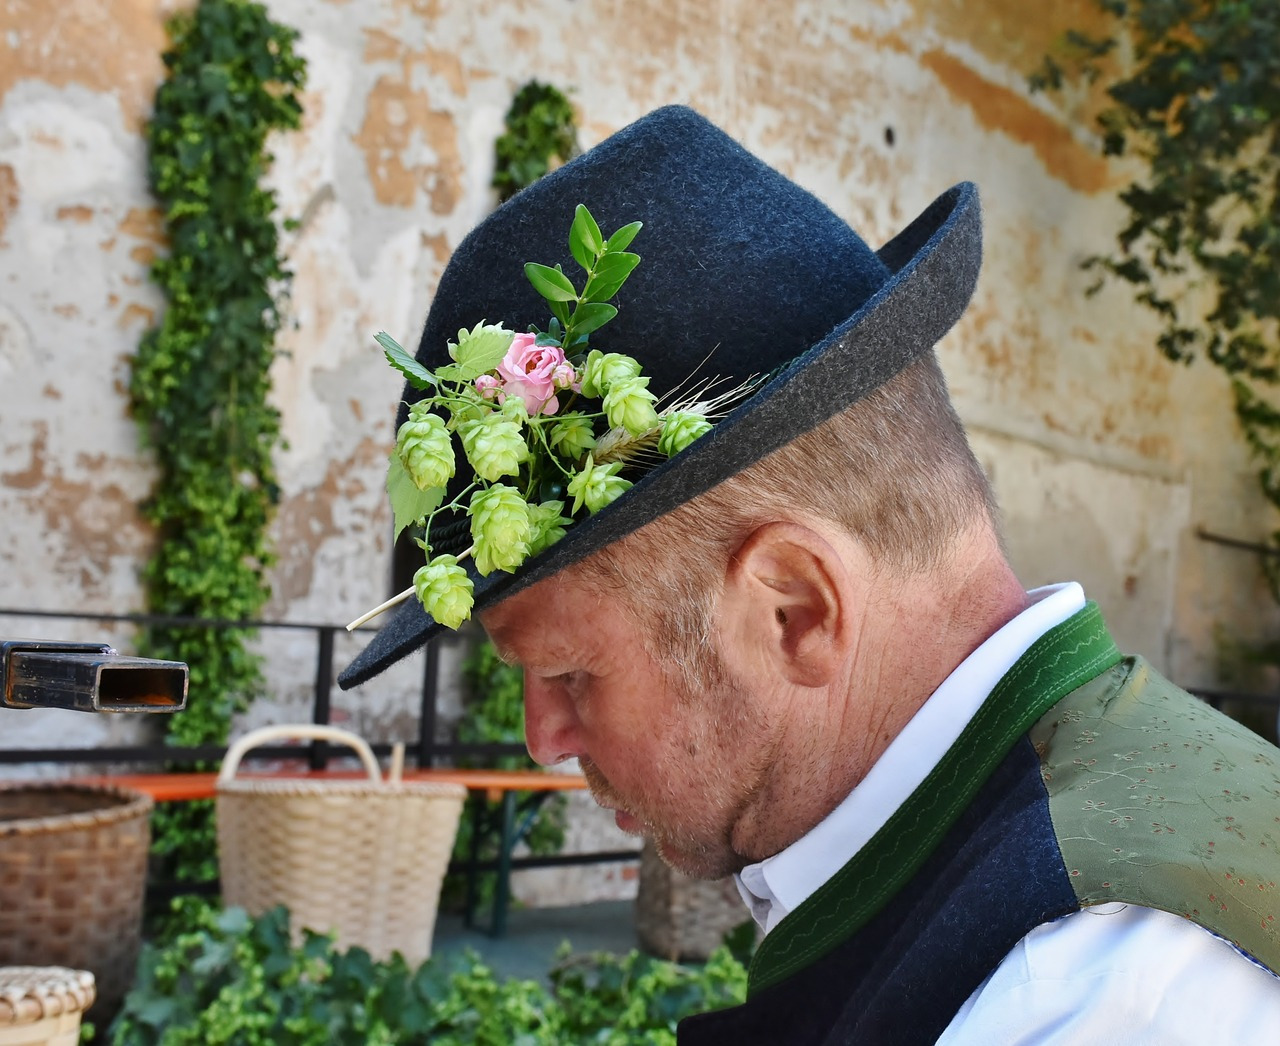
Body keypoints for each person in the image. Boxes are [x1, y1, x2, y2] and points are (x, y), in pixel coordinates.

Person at [339, 106, 1280, 1043]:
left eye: (569, 673)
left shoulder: (1083, 984)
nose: (544, 737)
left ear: (795, 608)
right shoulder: (1031, 865)